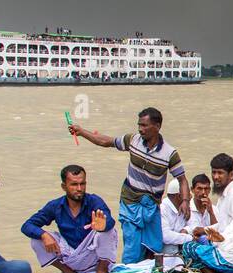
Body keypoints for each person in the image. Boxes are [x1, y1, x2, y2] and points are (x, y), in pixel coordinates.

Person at [69, 107, 186, 262]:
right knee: (132, 248)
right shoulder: (133, 140)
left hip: (151, 207)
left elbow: (182, 179)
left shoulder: (169, 153)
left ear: (157, 127)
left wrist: (184, 201)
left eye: (144, 125)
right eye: (139, 125)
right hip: (130, 203)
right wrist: (81, 131)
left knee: (154, 248)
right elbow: (106, 141)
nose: (140, 129)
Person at [21, 165, 117, 273]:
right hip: (69, 254)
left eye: (82, 184)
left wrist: (104, 225)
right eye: (74, 185)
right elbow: (27, 226)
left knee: (109, 232)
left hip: (91, 253)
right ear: (64, 186)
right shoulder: (55, 205)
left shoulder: (94, 201)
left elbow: (110, 221)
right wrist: (44, 235)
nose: (79, 188)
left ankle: (102, 272)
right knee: (36, 239)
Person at [181, 154, 233, 273]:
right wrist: (204, 230)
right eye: (214, 172)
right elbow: (224, 224)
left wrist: (222, 238)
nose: (216, 177)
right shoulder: (224, 195)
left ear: (231, 175)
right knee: (200, 241)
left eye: (220, 173)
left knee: (188, 247)